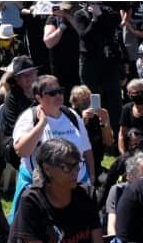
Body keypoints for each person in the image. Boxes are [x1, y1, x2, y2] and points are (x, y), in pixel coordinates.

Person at [10, 75, 93, 219]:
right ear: (38, 97)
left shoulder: (71, 115)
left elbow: (86, 149)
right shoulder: (29, 118)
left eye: (60, 91)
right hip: (44, 192)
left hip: (77, 186)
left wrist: (91, 175)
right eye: (52, 93)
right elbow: (21, 151)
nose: (58, 95)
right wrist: (41, 124)